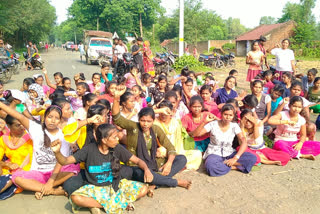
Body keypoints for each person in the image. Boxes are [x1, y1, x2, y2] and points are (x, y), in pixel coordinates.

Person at [51, 123, 153, 213]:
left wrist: (147, 170)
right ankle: (115, 204)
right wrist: (57, 152)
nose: (118, 139)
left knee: (143, 189)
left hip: (114, 186)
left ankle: (99, 205)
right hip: (94, 188)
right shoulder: (88, 150)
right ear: (104, 140)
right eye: (114, 137)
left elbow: (138, 161)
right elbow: (64, 161)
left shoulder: (117, 148)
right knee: (75, 198)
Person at [112, 85, 191, 189]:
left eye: (148, 121)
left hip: (153, 162)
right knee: (139, 173)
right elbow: (117, 118)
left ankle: (155, 183)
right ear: (139, 119)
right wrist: (116, 98)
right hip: (136, 165)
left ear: (153, 121)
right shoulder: (133, 127)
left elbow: (171, 148)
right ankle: (174, 182)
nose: (145, 124)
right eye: (143, 121)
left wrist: (169, 163)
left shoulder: (155, 129)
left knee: (181, 159)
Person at [0, 103, 80, 200]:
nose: (53, 121)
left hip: (57, 172)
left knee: (73, 170)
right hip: (38, 172)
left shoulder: (63, 136)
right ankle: (53, 191)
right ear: (44, 117)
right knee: (16, 177)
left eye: (56, 118)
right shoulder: (35, 128)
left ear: (60, 121)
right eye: (50, 117)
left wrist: (50, 183)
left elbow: (60, 161)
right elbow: (18, 116)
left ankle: (42, 188)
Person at [192, 104, 257, 177]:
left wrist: (235, 158)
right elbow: (195, 134)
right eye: (225, 114)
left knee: (252, 158)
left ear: (233, 116)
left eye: (230, 115)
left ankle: (227, 165)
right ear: (221, 114)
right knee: (210, 166)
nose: (228, 117)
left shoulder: (234, 126)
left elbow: (244, 141)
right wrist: (204, 122)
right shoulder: (213, 124)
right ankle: (233, 166)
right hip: (214, 153)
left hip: (229, 153)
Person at [154, 100, 202, 170]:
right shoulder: (155, 122)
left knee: (197, 153)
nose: (163, 114)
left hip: (176, 150)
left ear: (171, 112)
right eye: (161, 112)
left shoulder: (175, 123)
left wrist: (177, 152)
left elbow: (179, 142)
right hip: (163, 150)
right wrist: (159, 110)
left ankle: (180, 165)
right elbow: (144, 113)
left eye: (166, 112)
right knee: (162, 151)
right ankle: (177, 165)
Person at [0, 115, 33, 200]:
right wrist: (7, 164)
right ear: (9, 126)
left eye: (22, 123)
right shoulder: (4, 139)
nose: (22, 127)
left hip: (26, 169)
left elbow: (32, 159)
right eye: (18, 125)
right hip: (8, 168)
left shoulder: (30, 138)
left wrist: (18, 170)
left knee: (13, 178)